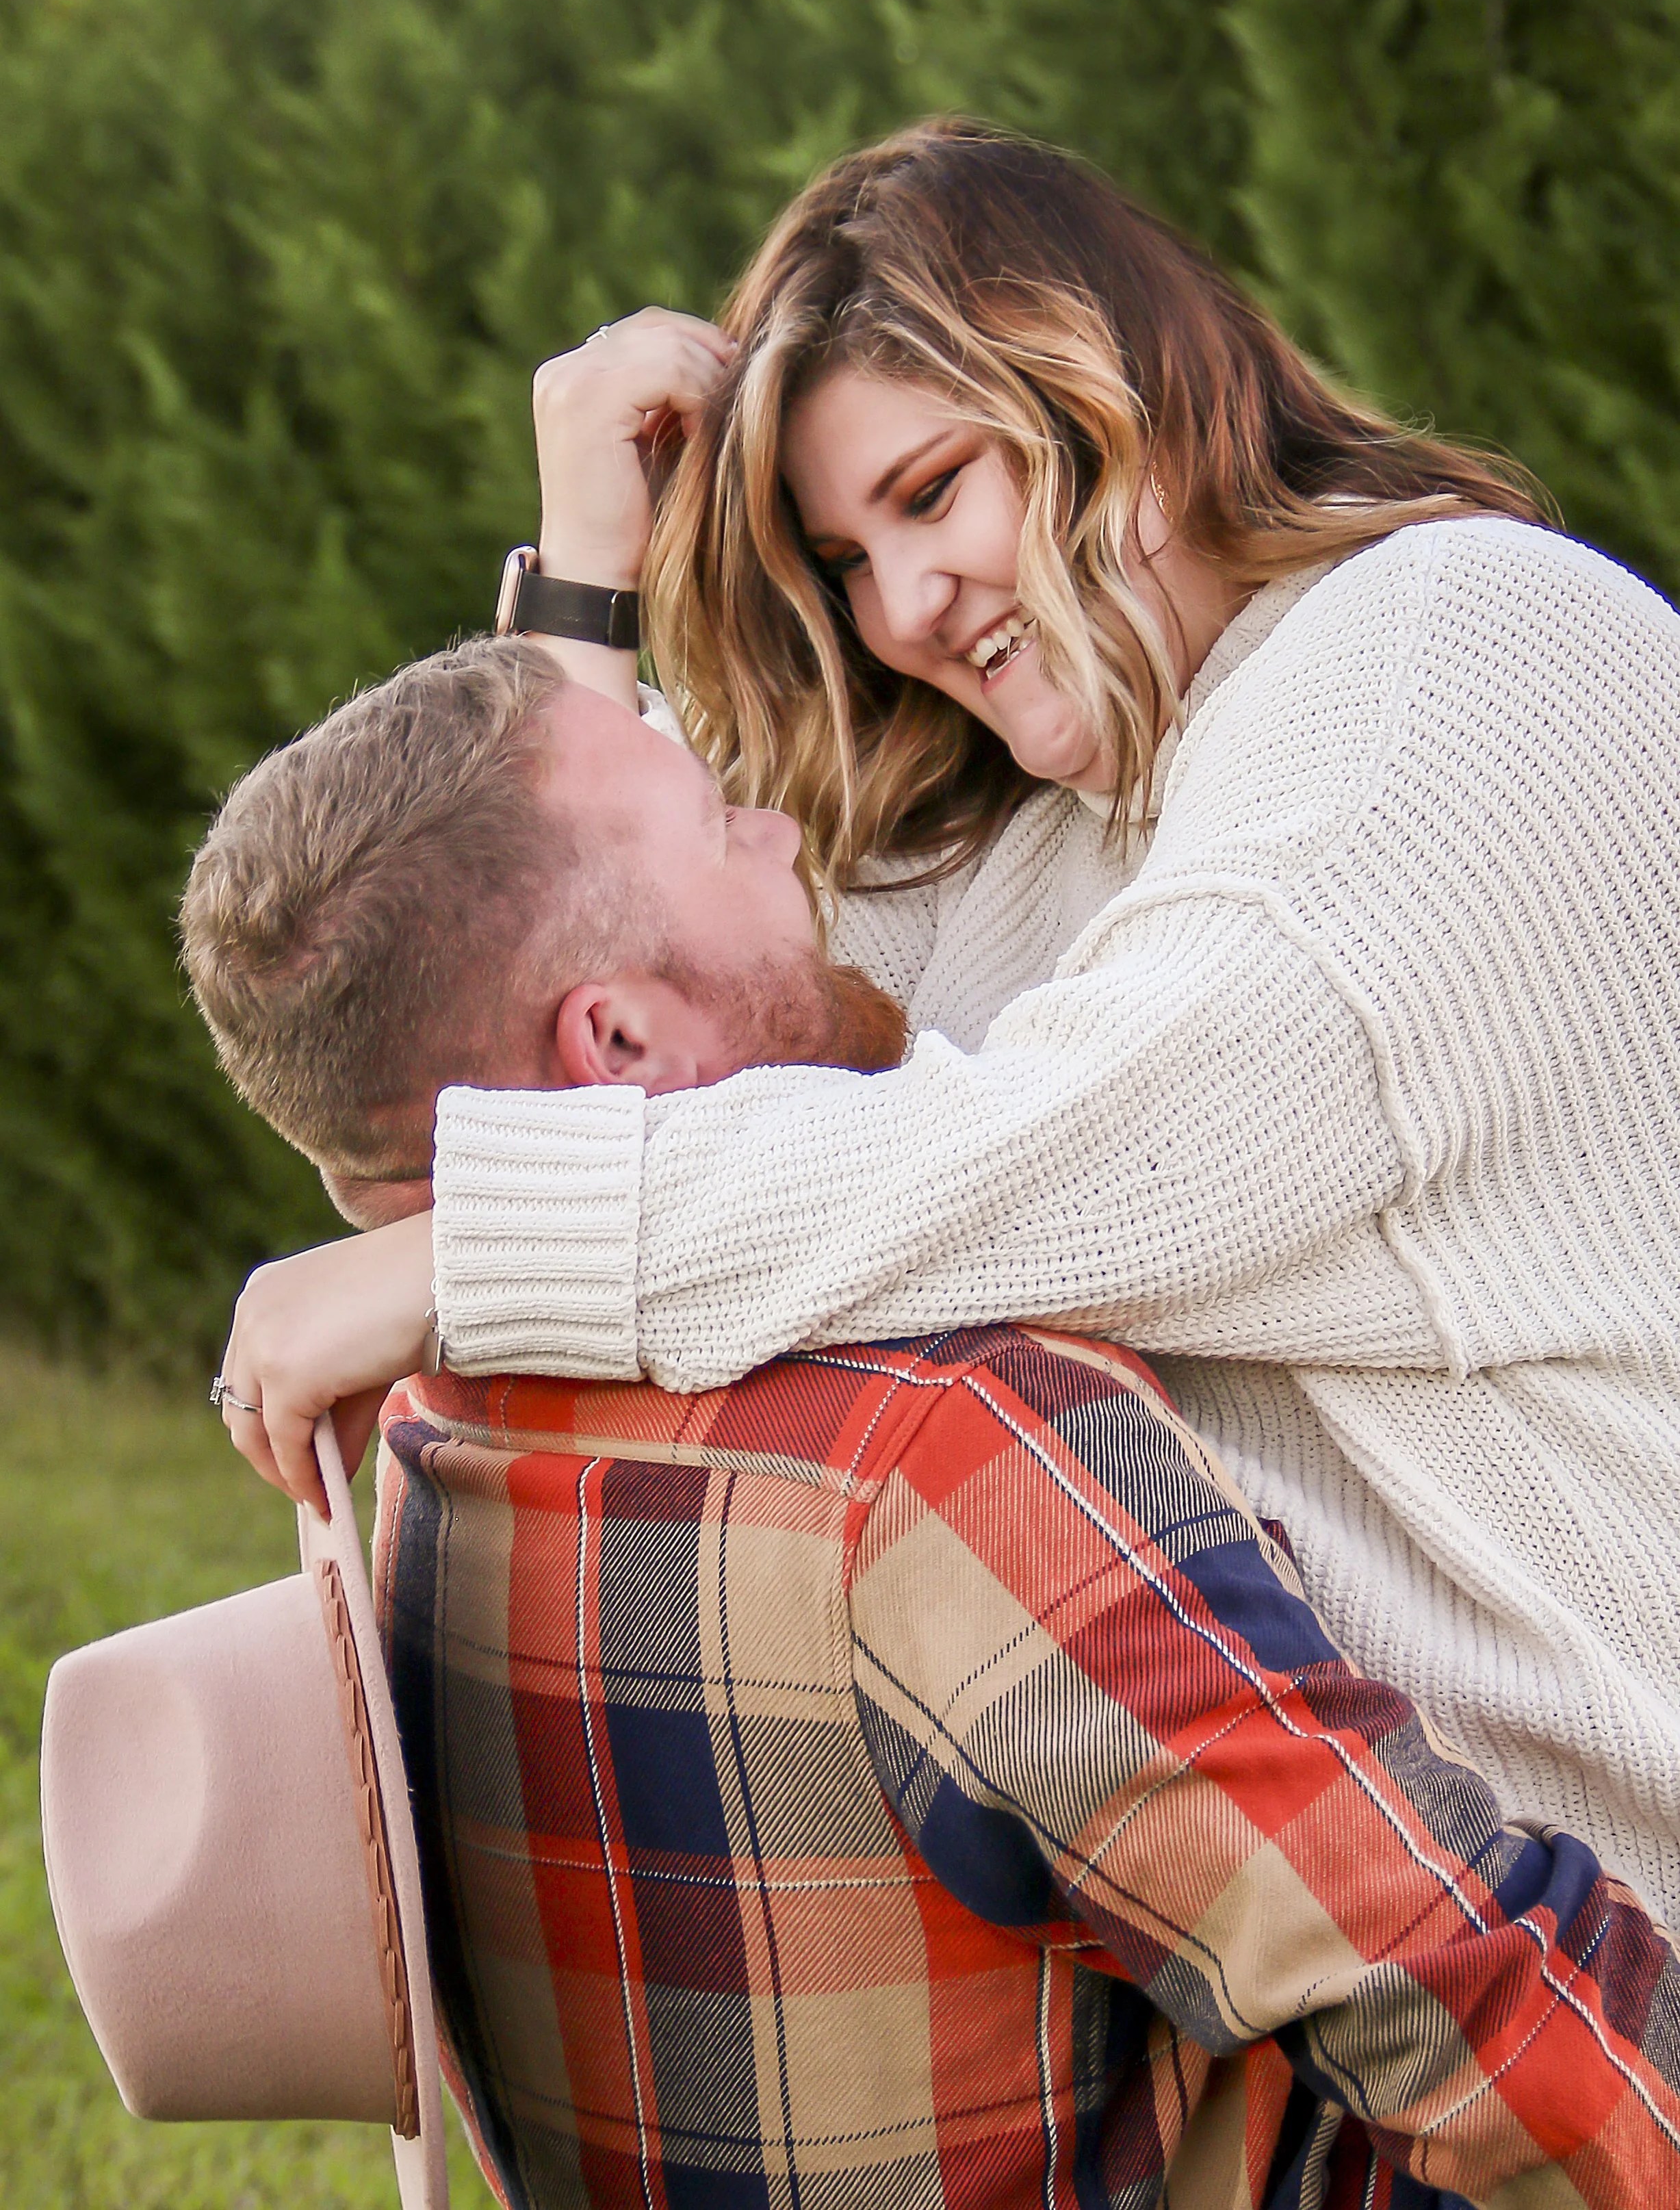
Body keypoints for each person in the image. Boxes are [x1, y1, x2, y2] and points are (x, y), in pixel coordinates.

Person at [213, 120, 1680, 1933]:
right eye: (842, 554)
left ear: (1120, 387)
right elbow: (612, 975)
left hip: (1615, 1993)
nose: (901, 610)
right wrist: (588, 571)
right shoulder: (1079, 810)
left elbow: (1053, 1154)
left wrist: (470, 1256)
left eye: (931, 492)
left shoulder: (1454, 655)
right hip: (1404, 1965)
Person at [183, 639, 1680, 2210]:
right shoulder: (943, 1449)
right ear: (615, 1041)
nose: (777, 826)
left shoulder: (437, 1424)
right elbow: (1483, 2014)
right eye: (714, 820)